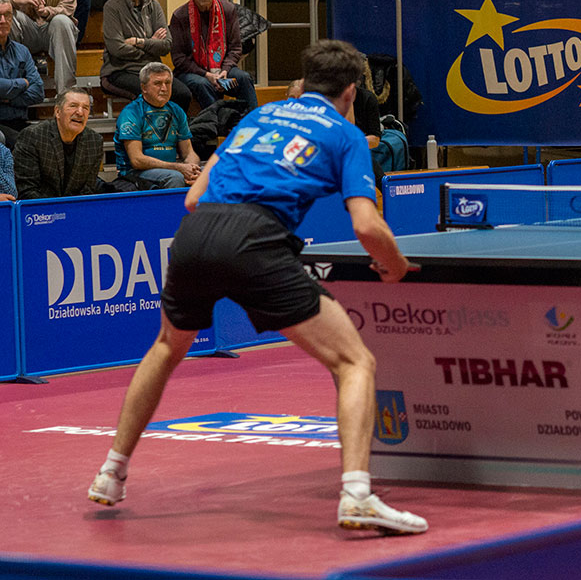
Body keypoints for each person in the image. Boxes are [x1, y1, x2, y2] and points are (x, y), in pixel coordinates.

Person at [87, 39, 428, 534]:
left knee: (165, 347)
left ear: (305, 83)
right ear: (351, 92)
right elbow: (366, 224)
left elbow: (192, 198)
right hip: (258, 240)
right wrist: (394, 266)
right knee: (355, 362)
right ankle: (357, 495)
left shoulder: (258, 117)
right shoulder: (346, 134)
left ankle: (111, 471)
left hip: (195, 235)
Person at [100, 0, 191, 111]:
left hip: (152, 69)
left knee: (183, 94)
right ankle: (150, 127)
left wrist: (139, 42)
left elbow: (166, 45)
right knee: (150, 93)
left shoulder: (153, 5)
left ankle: (174, 126)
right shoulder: (112, 7)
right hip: (121, 70)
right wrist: (151, 44)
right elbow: (117, 49)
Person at [170, 0, 258, 112]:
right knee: (203, 84)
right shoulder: (180, 16)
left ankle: (251, 121)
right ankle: (218, 122)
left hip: (222, 71)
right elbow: (178, 58)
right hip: (193, 73)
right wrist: (207, 75)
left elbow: (235, 48)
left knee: (243, 78)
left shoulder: (228, 10)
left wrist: (225, 70)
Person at [113, 61, 200, 189]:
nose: (164, 88)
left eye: (167, 83)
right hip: (135, 173)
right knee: (175, 177)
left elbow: (188, 153)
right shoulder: (132, 112)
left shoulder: (177, 110)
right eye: (158, 83)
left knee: (211, 173)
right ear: (144, 88)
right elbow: (137, 160)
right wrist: (177, 167)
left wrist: (192, 169)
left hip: (170, 169)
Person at [14, 87, 102, 199]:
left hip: (75, 207)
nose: (80, 112)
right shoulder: (33, 136)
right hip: (40, 207)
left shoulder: (94, 141)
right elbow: (26, 189)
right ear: (57, 111)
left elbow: (88, 189)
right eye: (73, 106)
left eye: (85, 108)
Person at [0, 0, 44, 149]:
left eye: (7, 15)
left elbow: (38, 91)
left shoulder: (22, 51)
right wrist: (22, 83)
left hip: (19, 122)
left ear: (12, 19)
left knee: (46, 140)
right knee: (20, 144)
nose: (2, 20)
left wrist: (8, 99)